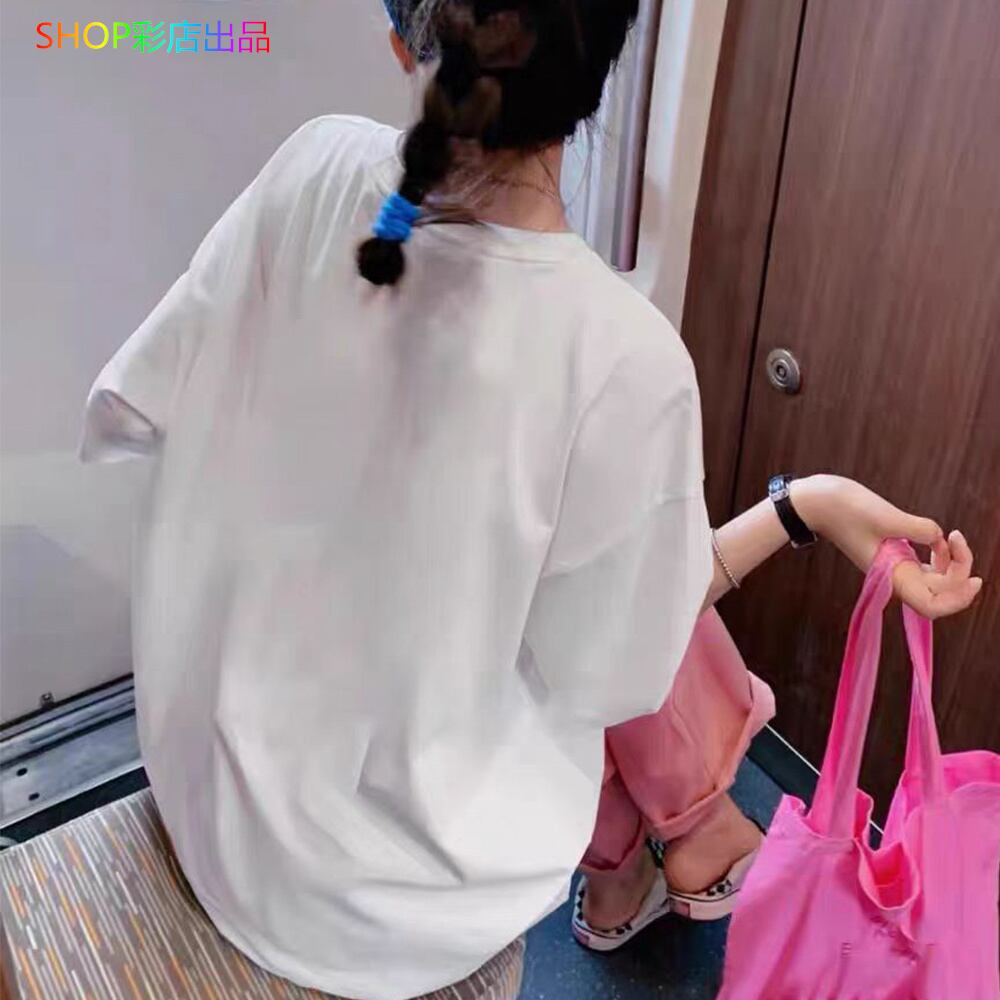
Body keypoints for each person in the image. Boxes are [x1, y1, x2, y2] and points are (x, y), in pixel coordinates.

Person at [80, 1, 982, 997]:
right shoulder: (621, 356)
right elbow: (623, 672)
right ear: (599, 75)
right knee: (599, 619)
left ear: (404, 42)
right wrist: (803, 506)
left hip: (206, 789)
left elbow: (130, 406)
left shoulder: (313, 164)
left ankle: (661, 857)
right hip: (374, 906)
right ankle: (682, 846)